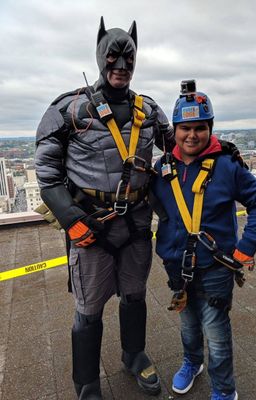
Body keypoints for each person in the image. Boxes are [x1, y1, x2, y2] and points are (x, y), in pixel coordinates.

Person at [35, 17, 175, 400]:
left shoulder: (150, 111)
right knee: (89, 308)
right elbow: (46, 175)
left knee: (134, 295)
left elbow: (181, 147)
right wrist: (71, 219)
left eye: (128, 57)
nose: (121, 65)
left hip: (136, 226)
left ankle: (134, 354)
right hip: (91, 228)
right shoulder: (70, 108)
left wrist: (220, 149)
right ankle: (87, 383)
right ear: (99, 56)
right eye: (113, 56)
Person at [151, 80, 256, 400]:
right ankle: (192, 362)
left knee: (216, 331)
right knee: (189, 323)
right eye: (185, 128)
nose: (192, 135)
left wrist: (246, 247)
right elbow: (144, 204)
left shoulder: (227, 166)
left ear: (210, 128)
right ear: (174, 130)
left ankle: (224, 390)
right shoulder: (162, 168)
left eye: (200, 128)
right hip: (177, 264)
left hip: (216, 265)